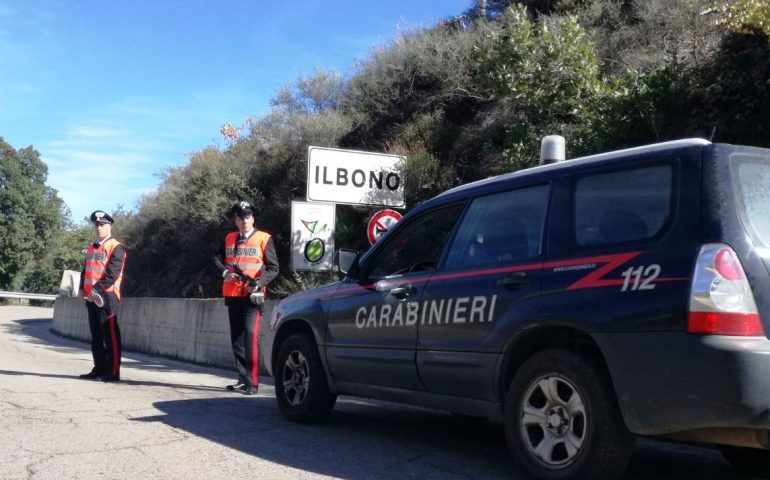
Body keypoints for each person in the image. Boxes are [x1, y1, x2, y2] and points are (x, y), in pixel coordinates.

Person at [217, 201, 279, 395]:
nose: (244, 220)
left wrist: (259, 282)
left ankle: (252, 383)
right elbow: (216, 258)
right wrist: (224, 273)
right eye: (239, 217)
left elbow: (273, 268)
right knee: (236, 338)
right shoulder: (229, 238)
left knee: (250, 336)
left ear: (252, 218)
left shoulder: (264, 238)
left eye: (247, 216)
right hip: (232, 294)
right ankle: (242, 379)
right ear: (235, 220)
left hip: (253, 296)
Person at [78, 210, 127, 382]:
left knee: (110, 337)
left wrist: (95, 290)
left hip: (107, 297)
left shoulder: (116, 247)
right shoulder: (92, 246)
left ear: (109, 226)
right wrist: (81, 290)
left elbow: (111, 275)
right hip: (91, 296)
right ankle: (98, 369)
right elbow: (86, 270)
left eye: (102, 225)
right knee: (96, 337)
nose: (99, 228)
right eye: (97, 225)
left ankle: (112, 373)